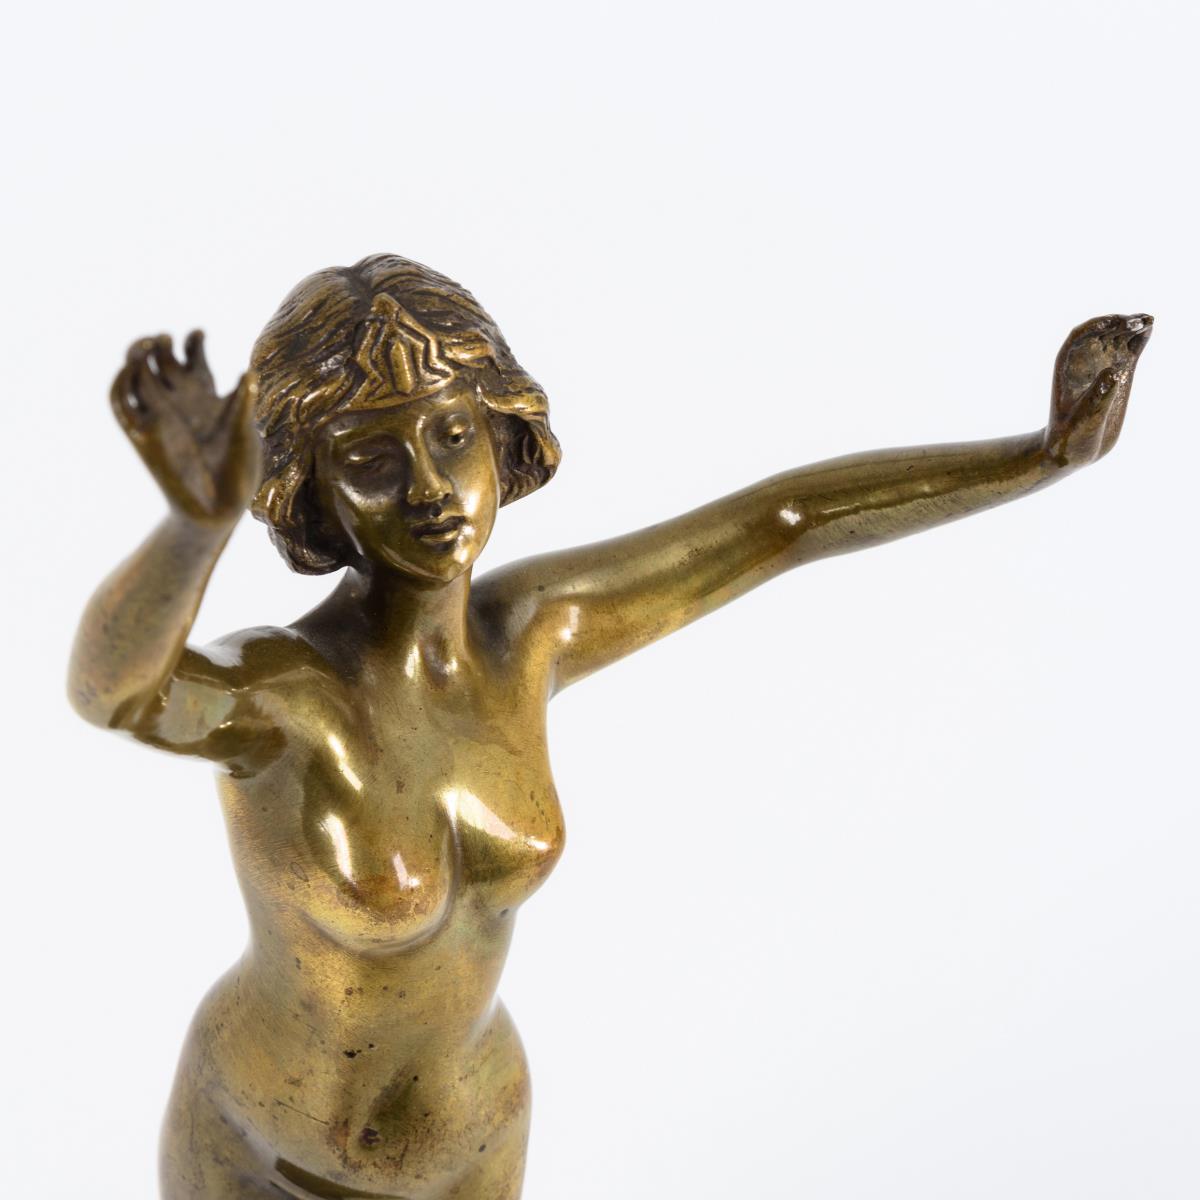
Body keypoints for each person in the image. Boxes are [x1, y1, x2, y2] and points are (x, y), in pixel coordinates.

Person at [68, 254, 1151, 1199]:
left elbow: (783, 524)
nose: (431, 488)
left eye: (453, 434)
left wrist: (1039, 456)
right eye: (372, 459)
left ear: (503, 432)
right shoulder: (286, 692)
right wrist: (193, 527)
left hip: (476, 1136)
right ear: (314, 489)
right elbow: (116, 694)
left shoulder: (533, 633)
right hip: (258, 1142)